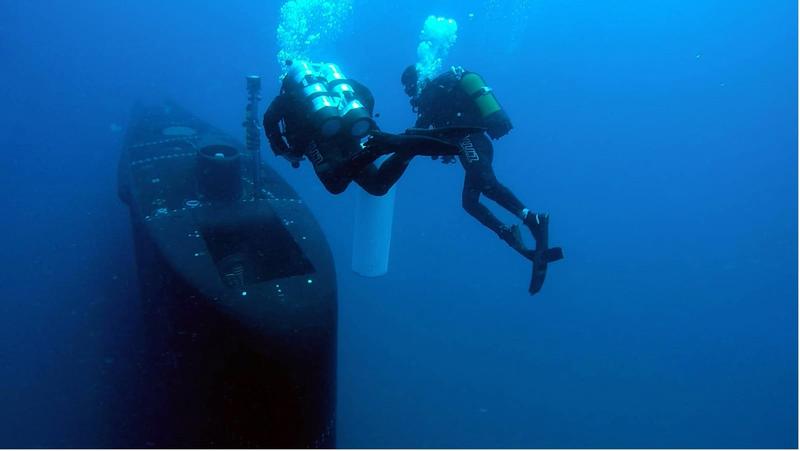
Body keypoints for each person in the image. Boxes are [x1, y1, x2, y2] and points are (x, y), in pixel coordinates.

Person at [400, 64, 563, 294]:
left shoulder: (431, 92)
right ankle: (508, 234)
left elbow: (420, 129)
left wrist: (398, 144)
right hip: (472, 143)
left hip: (471, 141)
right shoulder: (439, 91)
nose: (410, 95)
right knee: (469, 202)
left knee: (487, 184)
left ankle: (532, 219)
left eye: (409, 88)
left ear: (417, 82)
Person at [264, 60, 464, 196]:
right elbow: (366, 94)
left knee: (335, 183)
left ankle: (384, 147)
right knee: (377, 185)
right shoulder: (336, 83)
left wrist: (284, 151)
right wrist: (364, 123)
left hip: (317, 138)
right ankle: (405, 148)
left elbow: (269, 120)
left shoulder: (288, 95)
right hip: (349, 130)